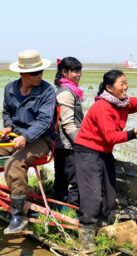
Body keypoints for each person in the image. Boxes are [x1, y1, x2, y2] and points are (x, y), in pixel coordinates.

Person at [73, 70, 137, 250]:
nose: (125, 86)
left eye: (126, 82)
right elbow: (110, 137)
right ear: (109, 87)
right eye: (121, 83)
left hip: (104, 152)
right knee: (92, 195)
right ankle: (86, 238)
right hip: (88, 151)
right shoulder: (102, 107)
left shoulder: (123, 103)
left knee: (110, 192)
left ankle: (102, 226)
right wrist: (134, 132)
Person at [0, 49, 56, 234]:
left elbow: (45, 121)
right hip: (14, 137)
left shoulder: (47, 91)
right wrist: (7, 127)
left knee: (13, 165)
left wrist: (26, 137)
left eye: (41, 71)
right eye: (34, 72)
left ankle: (19, 215)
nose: (39, 75)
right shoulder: (10, 89)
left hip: (40, 139)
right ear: (22, 73)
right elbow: (7, 113)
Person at [52, 57, 83, 207]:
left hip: (61, 145)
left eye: (79, 71)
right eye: (75, 71)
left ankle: (57, 212)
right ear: (64, 72)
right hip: (68, 145)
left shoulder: (68, 90)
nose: (78, 74)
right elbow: (68, 124)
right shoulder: (66, 93)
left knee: (61, 181)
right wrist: (82, 143)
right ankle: (71, 215)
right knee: (77, 182)